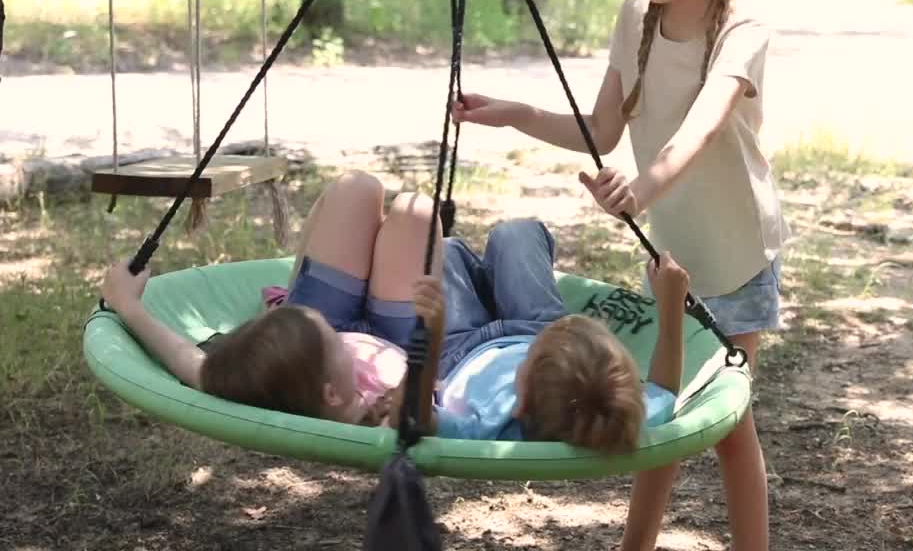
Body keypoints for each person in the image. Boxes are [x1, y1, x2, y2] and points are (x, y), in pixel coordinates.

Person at [451, 0, 786, 551]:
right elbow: (601, 131)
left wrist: (644, 184)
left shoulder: (742, 25)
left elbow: (705, 120)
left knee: (728, 428)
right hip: (672, 251)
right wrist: (515, 112)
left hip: (734, 254)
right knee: (658, 421)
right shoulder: (636, 13)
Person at [100, 170, 691, 454]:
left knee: (364, 191)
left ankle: (449, 262)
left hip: (433, 343)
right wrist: (669, 314)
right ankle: (468, 260)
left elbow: (190, 364)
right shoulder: (368, 415)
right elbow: (416, 409)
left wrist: (129, 308)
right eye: (318, 334)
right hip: (422, 340)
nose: (320, 329)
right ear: (335, 390)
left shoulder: (278, 363)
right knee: (420, 213)